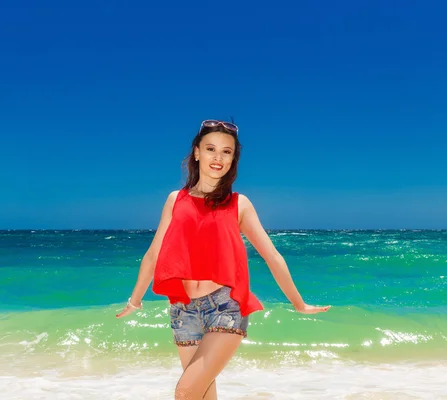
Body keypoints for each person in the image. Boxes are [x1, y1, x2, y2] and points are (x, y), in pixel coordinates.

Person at [116, 119, 331, 400]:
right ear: (196, 152)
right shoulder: (175, 200)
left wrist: (298, 303)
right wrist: (135, 299)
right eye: (210, 149)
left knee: (185, 391)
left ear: (233, 159)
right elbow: (153, 253)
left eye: (226, 152)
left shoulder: (239, 204)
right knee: (202, 395)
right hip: (183, 311)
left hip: (225, 307)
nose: (218, 158)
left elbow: (272, 256)